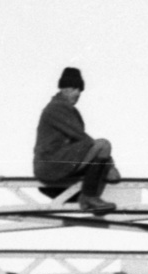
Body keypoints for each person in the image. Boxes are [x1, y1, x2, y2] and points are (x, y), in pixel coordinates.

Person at [33, 66, 118, 215]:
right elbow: (81, 137)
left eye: (79, 90)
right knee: (103, 145)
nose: (77, 93)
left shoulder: (63, 108)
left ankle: (84, 195)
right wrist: (109, 165)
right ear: (63, 89)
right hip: (51, 163)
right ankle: (89, 197)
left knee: (99, 151)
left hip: (57, 162)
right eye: (73, 88)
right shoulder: (57, 108)